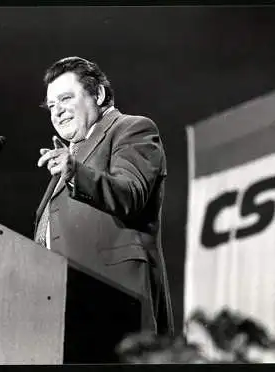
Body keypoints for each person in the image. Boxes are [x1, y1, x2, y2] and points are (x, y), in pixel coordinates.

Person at [34, 56, 174, 340]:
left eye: (65, 99)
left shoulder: (132, 129)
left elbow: (129, 193)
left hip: (116, 305)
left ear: (97, 94)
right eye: (51, 106)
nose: (57, 112)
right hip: (66, 309)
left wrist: (75, 171)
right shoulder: (71, 155)